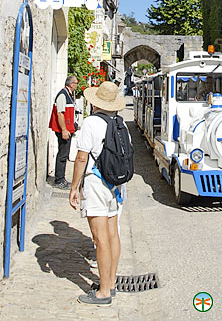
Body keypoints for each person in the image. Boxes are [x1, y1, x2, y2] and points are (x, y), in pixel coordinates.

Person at [69, 81, 127, 306]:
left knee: (99, 239)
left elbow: (82, 157)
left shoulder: (91, 122)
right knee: (113, 235)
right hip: (115, 185)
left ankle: (103, 292)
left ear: (96, 102)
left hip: (95, 183)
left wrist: (74, 187)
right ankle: (110, 282)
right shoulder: (120, 123)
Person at [49, 76, 79, 189]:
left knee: (64, 154)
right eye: (76, 83)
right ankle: (59, 180)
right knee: (62, 154)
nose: (77, 85)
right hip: (63, 130)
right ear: (71, 84)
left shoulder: (68, 94)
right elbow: (60, 113)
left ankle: (62, 178)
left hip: (67, 129)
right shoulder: (63, 95)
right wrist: (64, 130)